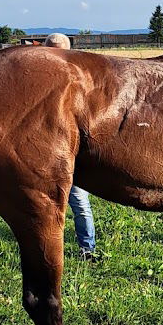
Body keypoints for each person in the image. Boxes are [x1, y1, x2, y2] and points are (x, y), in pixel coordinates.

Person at [43, 32, 98, 260]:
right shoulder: (41, 79)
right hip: (48, 152)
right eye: (51, 50)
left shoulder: (81, 81)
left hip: (71, 153)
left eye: (59, 49)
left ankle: (87, 248)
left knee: (79, 202)